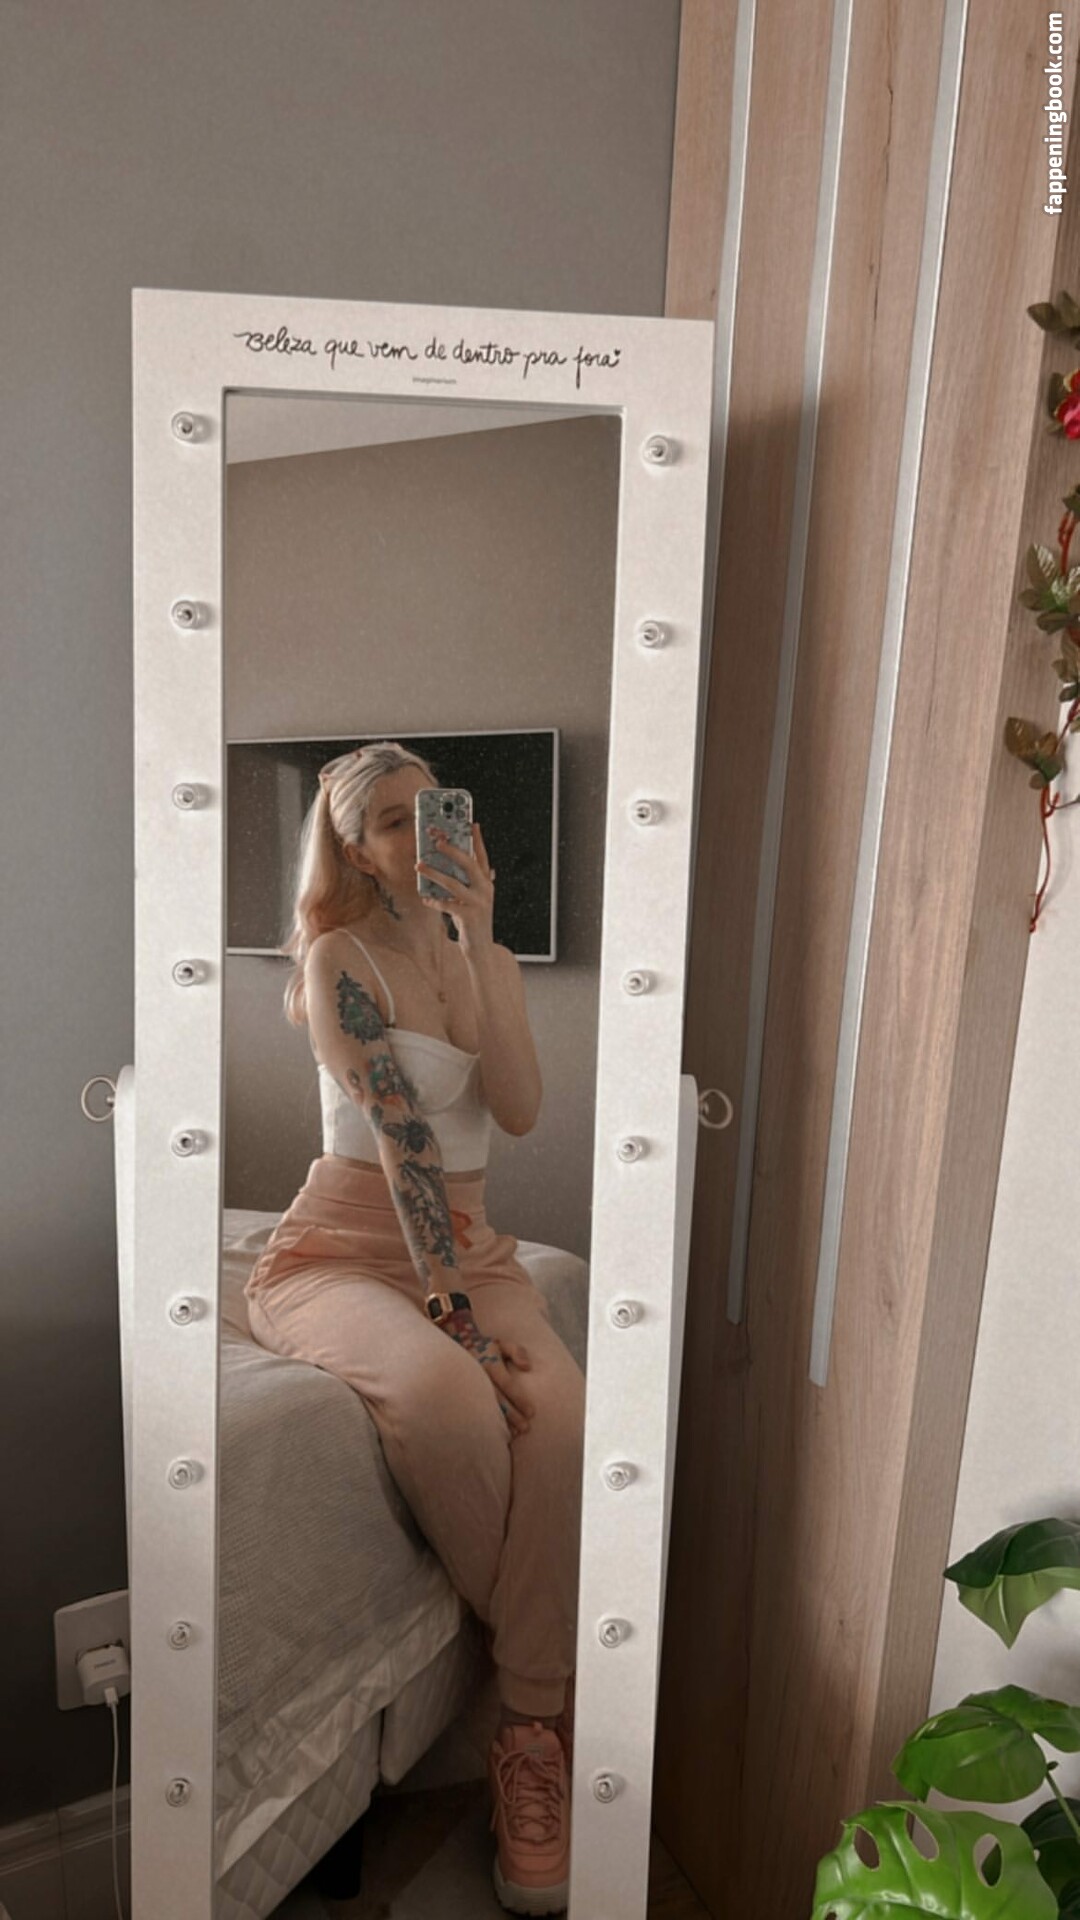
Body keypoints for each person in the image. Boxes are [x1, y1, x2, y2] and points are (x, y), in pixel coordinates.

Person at [243, 739, 586, 1915]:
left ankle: (526, 1723)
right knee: (449, 1400)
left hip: (474, 1243)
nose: (417, 834)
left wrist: (481, 938)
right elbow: (403, 1146)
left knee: (564, 1422)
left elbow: (522, 1111)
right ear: (352, 849)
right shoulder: (337, 959)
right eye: (389, 821)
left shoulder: (481, 955)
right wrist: (456, 1324)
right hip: (343, 1247)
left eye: (430, 811)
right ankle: (549, 1713)